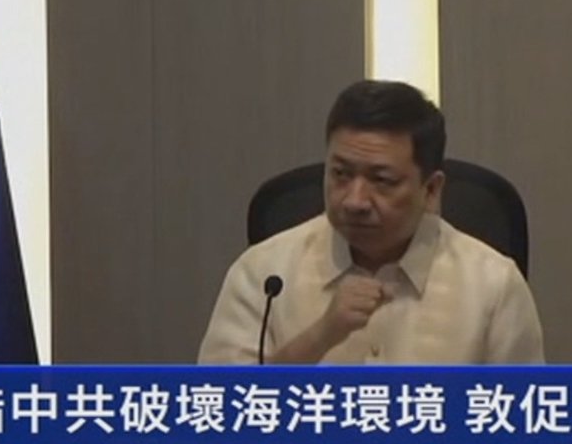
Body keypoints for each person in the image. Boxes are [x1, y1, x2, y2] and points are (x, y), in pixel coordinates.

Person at [197, 79, 545, 365]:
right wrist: (320, 336)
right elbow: (221, 416)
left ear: (431, 189)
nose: (355, 201)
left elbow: (518, 426)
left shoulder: (493, 284)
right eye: (340, 174)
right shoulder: (264, 274)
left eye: (382, 180)